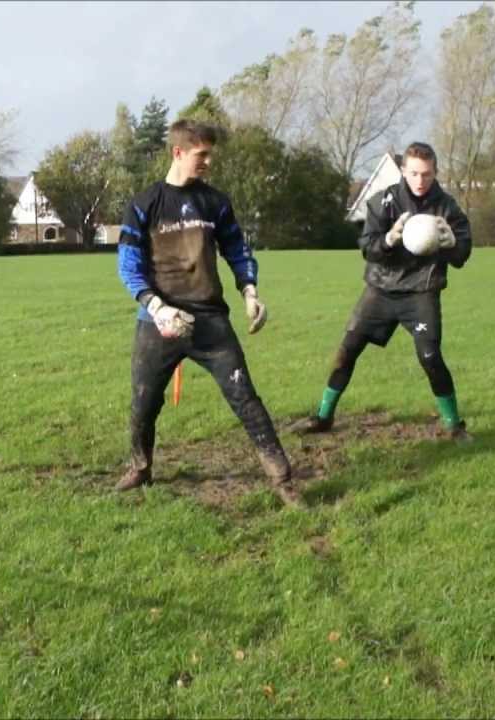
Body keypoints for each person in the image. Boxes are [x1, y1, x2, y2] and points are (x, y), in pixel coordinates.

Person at [115, 119, 301, 505]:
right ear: (178, 152)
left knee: (245, 398)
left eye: (210, 154)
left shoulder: (215, 202)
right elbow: (128, 266)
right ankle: (140, 467)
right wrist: (157, 305)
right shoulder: (143, 204)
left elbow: (237, 250)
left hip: (211, 323)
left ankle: (283, 481)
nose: (209, 162)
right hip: (158, 323)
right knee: (143, 402)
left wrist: (250, 291)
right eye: (202, 154)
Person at [299, 141, 474, 441]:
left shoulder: (447, 207)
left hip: (421, 292)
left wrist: (452, 245)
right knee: (346, 351)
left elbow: (462, 256)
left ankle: (454, 425)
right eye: (415, 173)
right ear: (404, 170)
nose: (421, 181)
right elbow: (367, 248)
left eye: (427, 174)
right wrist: (389, 239)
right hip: (380, 289)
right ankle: (324, 416)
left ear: (436, 172)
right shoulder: (384, 201)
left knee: (430, 357)